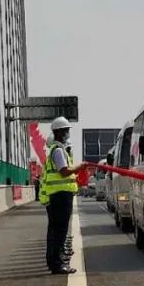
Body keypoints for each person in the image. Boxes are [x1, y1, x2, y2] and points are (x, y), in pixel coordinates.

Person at [44, 118, 82, 275]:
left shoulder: (57, 150)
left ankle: (55, 261)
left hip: (58, 195)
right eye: (66, 130)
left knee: (56, 230)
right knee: (60, 230)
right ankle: (57, 264)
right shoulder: (59, 151)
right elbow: (64, 171)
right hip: (60, 196)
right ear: (59, 132)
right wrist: (79, 167)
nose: (67, 133)